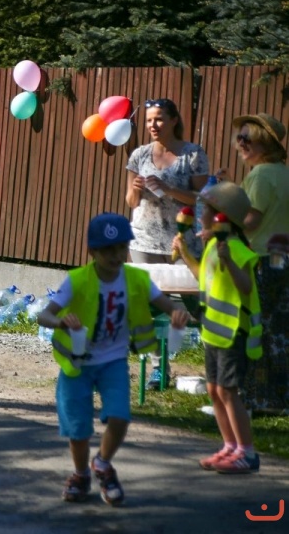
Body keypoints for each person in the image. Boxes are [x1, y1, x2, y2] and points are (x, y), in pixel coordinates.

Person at [38, 213, 190, 505]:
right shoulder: (77, 280)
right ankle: (81, 474)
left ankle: (103, 464)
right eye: (108, 249)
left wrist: (177, 314)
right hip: (78, 364)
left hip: (113, 362)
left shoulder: (137, 279)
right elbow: (44, 315)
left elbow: (166, 304)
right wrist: (61, 322)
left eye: (122, 247)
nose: (116, 255)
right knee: (78, 429)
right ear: (92, 252)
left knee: (120, 417)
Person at [173, 181, 262, 473]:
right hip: (214, 331)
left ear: (222, 217)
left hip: (234, 331)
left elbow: (245, 287)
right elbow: (204, 276)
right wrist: (185, 254)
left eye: (206, 211)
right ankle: (229, 446)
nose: (201, 217)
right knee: (214, 390)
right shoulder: (212, 245)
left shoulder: (237, 249)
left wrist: (229, 262)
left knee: (228, 391)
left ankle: (247, 453)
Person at [125, 98, 209, 388]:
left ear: (174, 120)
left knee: (200, 303)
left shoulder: (193, 154)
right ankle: (159, 369)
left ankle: (218, 367)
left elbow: (203, 198)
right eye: (149, 120)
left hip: (183, 242)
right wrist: (136, 188)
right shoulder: (139, 154)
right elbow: (130, 201)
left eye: (159, 119)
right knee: (150, 306)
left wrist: (169, 188)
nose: (153, 125)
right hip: (144, 240)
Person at [229, 114, 289, 414]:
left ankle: (259, 399)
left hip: (262, 259)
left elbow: (251, 221)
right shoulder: (283, 173)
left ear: (264, 143)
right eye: (238, 137)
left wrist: (223, 212)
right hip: (284, 259)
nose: (240, 143)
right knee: (280, 331)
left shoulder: (260, 175)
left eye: (246, 138)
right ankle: (281, 398)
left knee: (257, 329)